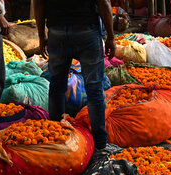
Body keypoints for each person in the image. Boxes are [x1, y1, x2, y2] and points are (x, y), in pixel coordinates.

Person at [34, 0, 115, 154]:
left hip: (57, 32)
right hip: (87, 31)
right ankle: (100, 144)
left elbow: (38, 4)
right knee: (94, 89)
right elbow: (104, 3)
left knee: (57, 86)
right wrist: (110, 37)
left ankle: (56, 136)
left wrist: (41, 36)